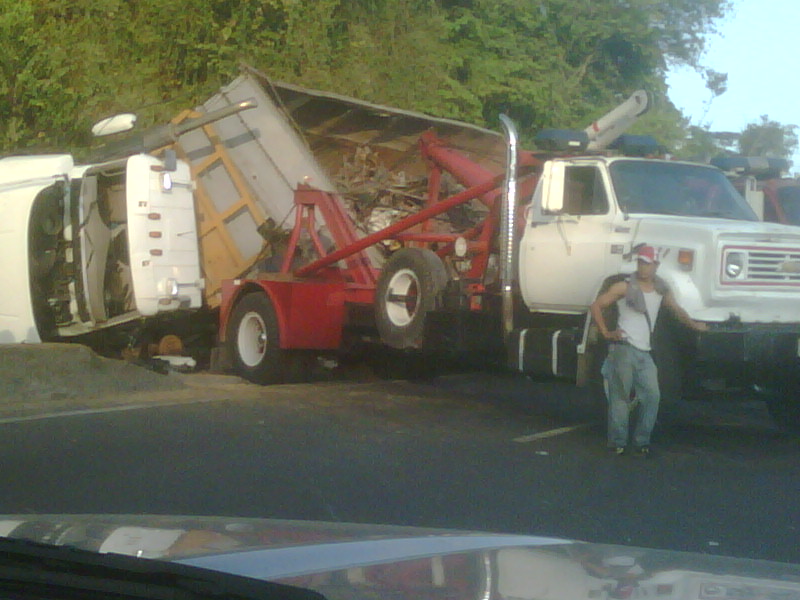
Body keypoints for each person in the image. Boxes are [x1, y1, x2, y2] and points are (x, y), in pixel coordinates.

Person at [589, 245, 708, 457]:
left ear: (656, 265)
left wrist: (694, 325)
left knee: (653, 396)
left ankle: (641, 441)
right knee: (620, 398)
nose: (643, 267)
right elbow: (597, 305)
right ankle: (618, 443)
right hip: (623, 349)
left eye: (647, 263)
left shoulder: (661, 289)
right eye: (641, 262)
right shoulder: (624, 286)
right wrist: (606, 333)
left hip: (644, 352)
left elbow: (677, 310)